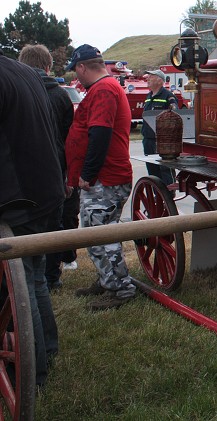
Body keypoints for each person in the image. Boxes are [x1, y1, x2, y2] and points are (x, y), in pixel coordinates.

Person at [0, 54, 65, 388]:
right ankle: (46, 355)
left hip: (18, 201)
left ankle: (31, 374)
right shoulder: (25, 71)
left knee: (20, 289)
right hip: (44, 193)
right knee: (35, 280)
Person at [65, 44, 136, 311]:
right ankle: (107, 280)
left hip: (105, 178)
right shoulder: (105, 88)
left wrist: (88, 174)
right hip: (107, 176)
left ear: (82, 67)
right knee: (103, 233)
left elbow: (100, 134)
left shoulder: (104, 89)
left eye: (76, 70)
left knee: (99, 236)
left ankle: (121, 289)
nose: (77, 76)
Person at [18, 44, 78, 291]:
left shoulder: (18, 92)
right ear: (47, 67)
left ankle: (29, 276)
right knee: (55, 225)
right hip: (56, 169)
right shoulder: (61, 95)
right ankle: (52, 277)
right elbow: (68, 137)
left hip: (24, 174)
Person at [141, 68, 178, 186]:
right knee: (152, 169)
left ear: (160, 81)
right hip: (148, 139)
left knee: (165, 169)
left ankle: (168, 194)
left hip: (162, 141)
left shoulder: (168, 96)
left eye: (151, 77)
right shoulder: (148, 96)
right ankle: (157, 193)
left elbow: (174, 115)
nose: (148, 79)